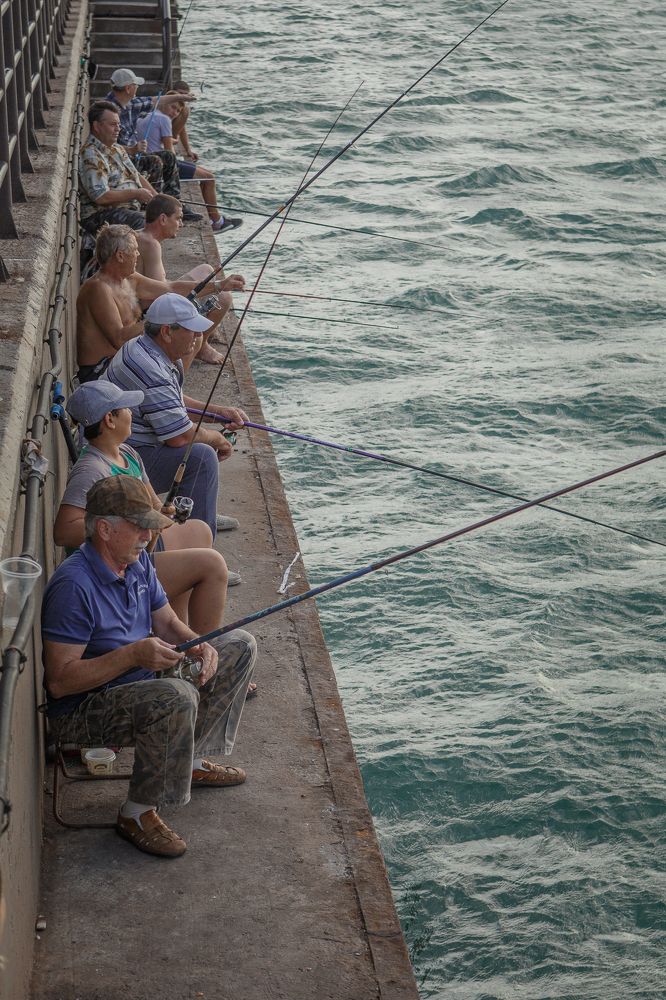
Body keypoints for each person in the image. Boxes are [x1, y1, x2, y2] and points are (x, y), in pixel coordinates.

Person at [42, 475, 256, 857]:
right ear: (105, 529)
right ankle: (138, 812)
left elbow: (167, 622)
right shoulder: (73, 587)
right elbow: (59, 683)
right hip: (86, 706)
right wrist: (132, 655)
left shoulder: (135, 562)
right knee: (175, 696)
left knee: (239, 645)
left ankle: (188, 761)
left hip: (141, 679)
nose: (148, 535)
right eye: (139, 525)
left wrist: (199, 644)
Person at [55, 381, 242, 627]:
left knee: (200, 531)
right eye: (126, 409)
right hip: (116, 565)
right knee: (212, 565)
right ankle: (197, 651)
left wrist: (162, 512)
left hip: (142, 546)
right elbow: (63, 532)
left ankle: (176, 626)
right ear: (110, 420)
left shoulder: (128, 454)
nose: (132, 413)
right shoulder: (91, 469)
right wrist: (123, 524)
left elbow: (153, 502)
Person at [102, 293, 246, 538]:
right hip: (121, 458)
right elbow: (178, 437)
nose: (199, 337)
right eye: (192, 331)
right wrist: (217, 439)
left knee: (200, 451)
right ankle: (196, 549)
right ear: (167, 332)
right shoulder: (152, 370)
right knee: (202, 457)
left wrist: (217, 413)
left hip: (125, 445)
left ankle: (200, 512)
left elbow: (173, 403)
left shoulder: (147, 348)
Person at [76, 224, 221, 382]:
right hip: (101, 371)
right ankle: (166, 390)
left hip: (124, 357)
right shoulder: (98, 288)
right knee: (179, 337)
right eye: (134, 250)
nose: (138, 254)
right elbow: (118, 339)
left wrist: (219, 286)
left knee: (192, 336)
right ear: (120, 256)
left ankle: (172, 389)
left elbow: (170, 288)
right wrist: (160, 318)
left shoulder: (129, 278)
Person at [136, 194, 245, 363]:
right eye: (178, 219)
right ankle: (200, 346)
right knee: (223, 298)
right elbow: (158, 297)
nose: (181, 224)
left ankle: (204, 338)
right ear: (163, 219)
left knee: (206, 269)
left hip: (154, 298)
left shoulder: (143, 237)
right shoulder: (151, 245)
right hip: (150, 313)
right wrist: (216, 286)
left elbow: (159, 286)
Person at [104, 69, 200, 221]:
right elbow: (107, 148)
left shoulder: (130, 104)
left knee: (168, 156)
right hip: (119, 161)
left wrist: (182, 97)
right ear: (128, 88)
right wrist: (132, 149)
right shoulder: (108, 111)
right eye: (136, 85)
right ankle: (155, 206)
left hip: (131, 155)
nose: (138, 88)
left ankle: (175, 204)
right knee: (155, 161)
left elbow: (156, 100)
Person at [157, 93, 242, 235]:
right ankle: (217, 221)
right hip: (166, 164)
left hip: (160, 159)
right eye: (173, 107)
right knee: (209, 178)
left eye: (178, 111)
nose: (175, 113)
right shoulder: (164, 120)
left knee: (207, 175)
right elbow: (169, 153)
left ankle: (212, 218)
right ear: (164, 102)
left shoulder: (153, 116)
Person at [78, 101, 158, 237]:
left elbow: (136, 175)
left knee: (165, 212)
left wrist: (158, 200)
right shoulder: (91, 155)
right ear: (97, 126)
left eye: (118, 124)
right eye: (113, 124)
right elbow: (101, 197)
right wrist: (136, 193)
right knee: (144, 223)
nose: (118, 129)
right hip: (98, 215)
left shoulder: (117, 148)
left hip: (127, 207)